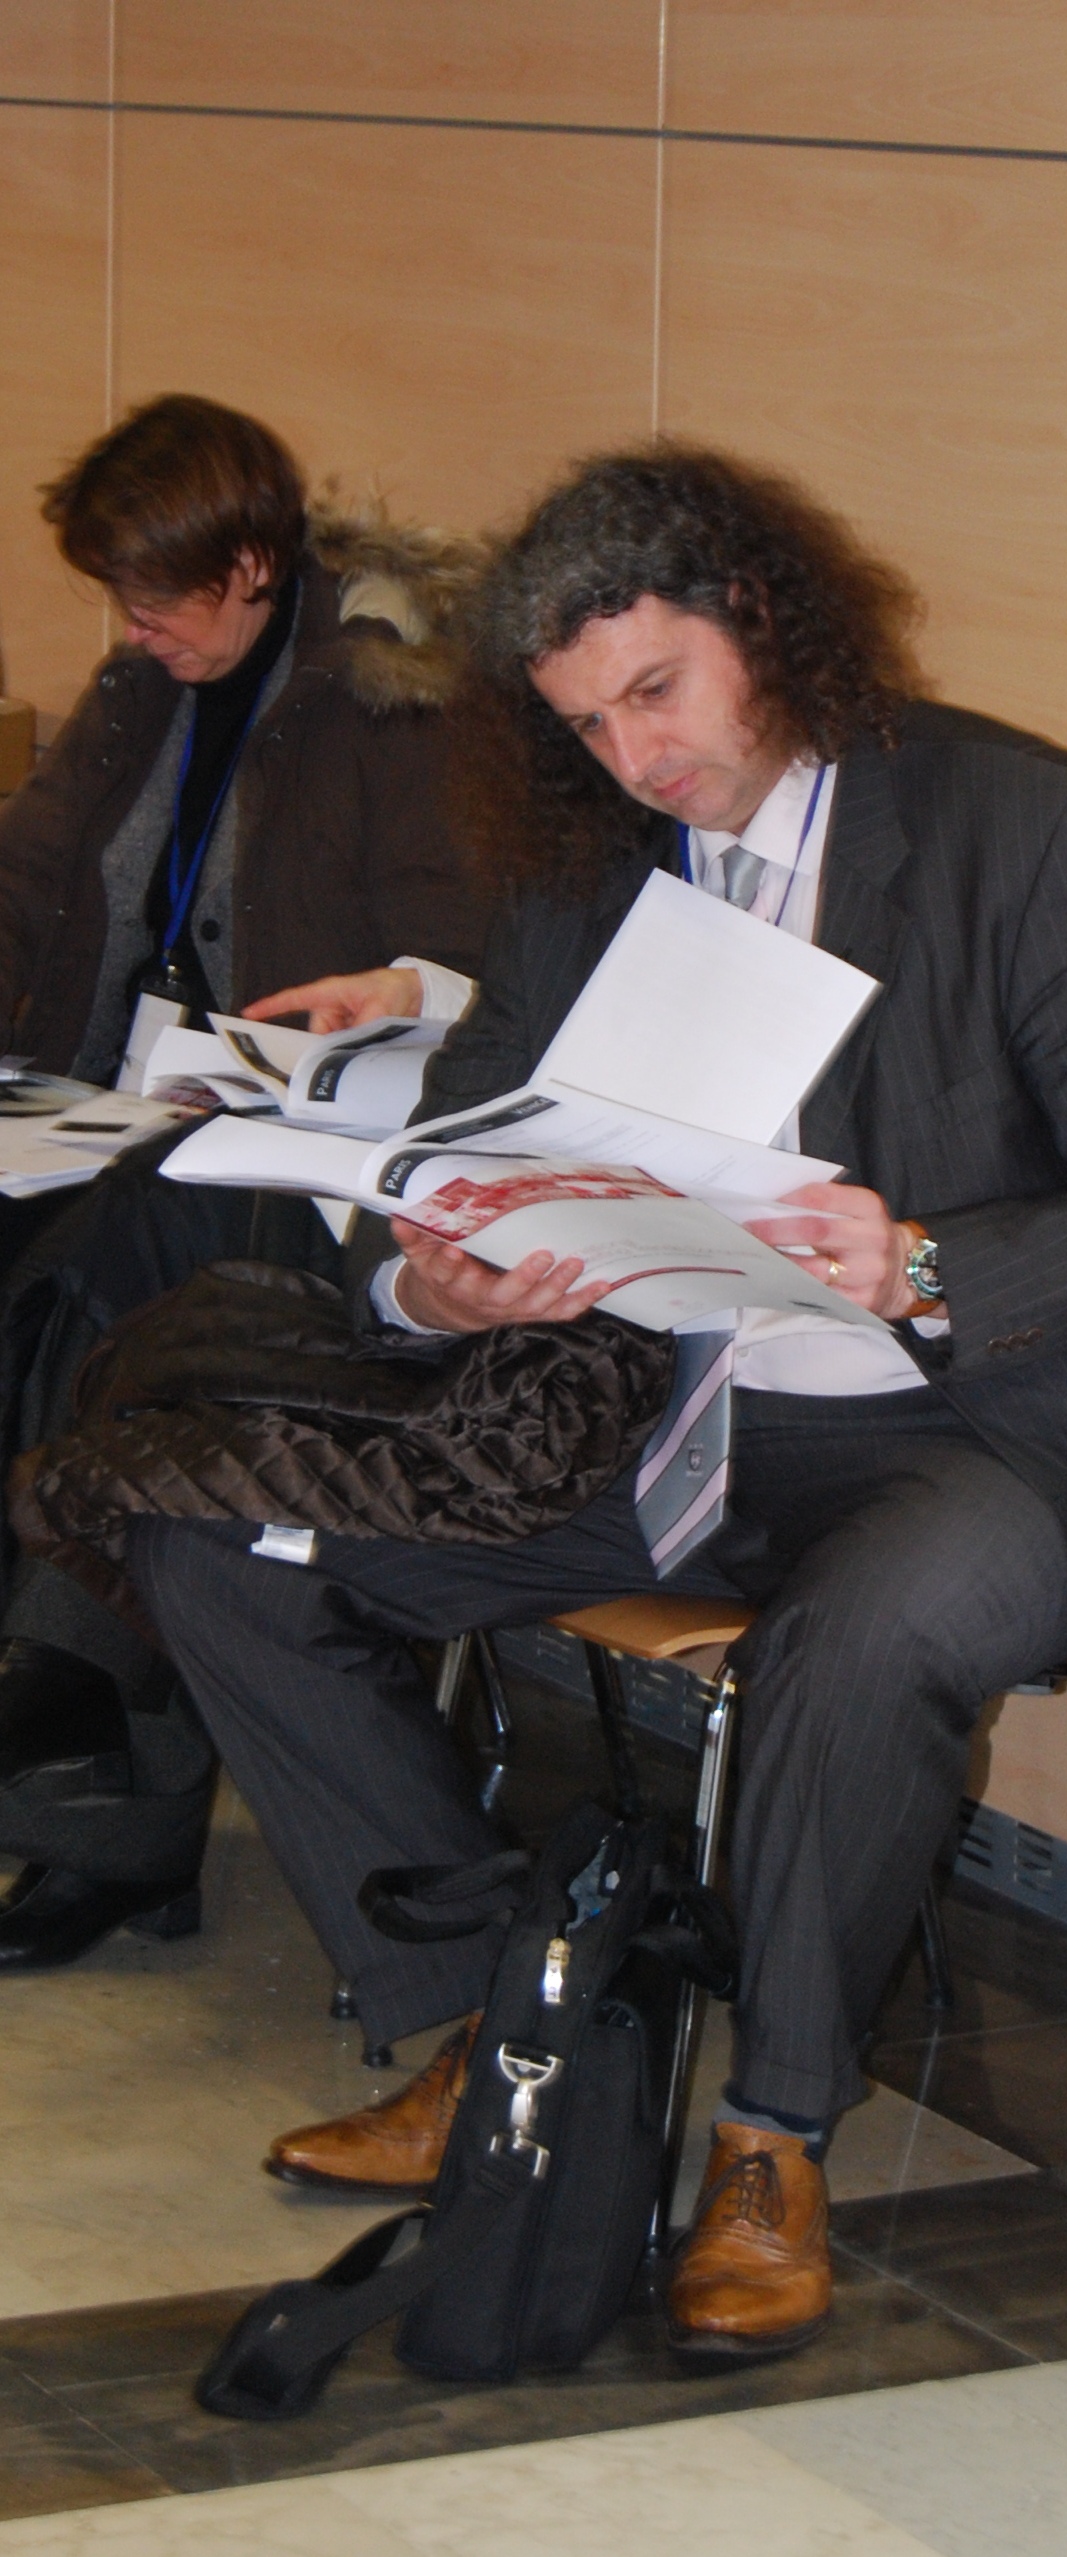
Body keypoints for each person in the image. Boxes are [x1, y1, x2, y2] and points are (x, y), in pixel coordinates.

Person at [127, 445, 1067, 2360]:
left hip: (982, 1424)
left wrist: (926, 1262)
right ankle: (511, 2029)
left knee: (863, 1635)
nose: (636, 759)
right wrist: (437, 1271)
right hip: (662, 1407)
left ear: (764, 619)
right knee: (218, 1541)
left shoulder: (1034, 830)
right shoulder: (589, 856)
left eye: (657, 694)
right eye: (588, 725)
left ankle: (775, 2136)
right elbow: (472, 1131)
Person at [0, 394, 490, 1972]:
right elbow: (29, 876)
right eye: (119, 597)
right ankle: (49, 1734)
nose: (132, 627)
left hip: (310, 1169)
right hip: (123, 1111)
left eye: (158, 596)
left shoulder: (390, 703)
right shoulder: (146, 683)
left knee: (113, 1302)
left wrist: (384, 996)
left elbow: (473, 960)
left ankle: (96, 1792)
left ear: (255, 566)